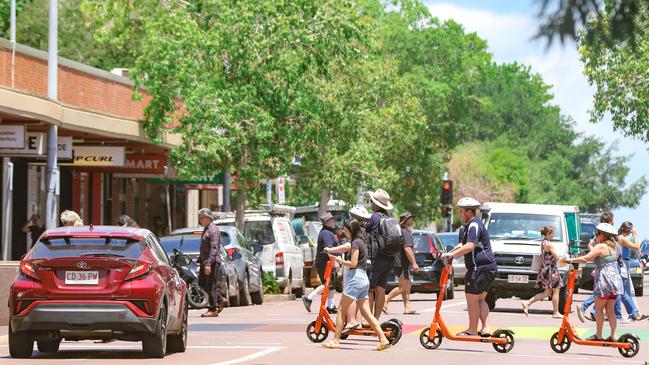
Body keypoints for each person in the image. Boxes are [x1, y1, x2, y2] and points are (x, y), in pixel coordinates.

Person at [322, 219, 392, 351]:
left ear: (350, 231)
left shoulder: (355, 243)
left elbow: (353, 263)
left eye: (345, 230)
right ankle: (383, 339)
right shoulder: (361, 242)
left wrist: (340, 261)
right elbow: (347, 249)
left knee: (341, 310)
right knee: (367, 313)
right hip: (364, 279)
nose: (344, 232)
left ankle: (335, 341)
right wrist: (332, 251)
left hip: (356, 278)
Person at [442, 197, 497, 337]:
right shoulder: (474, 225)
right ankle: (485, 328)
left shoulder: (473, 225)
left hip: (479, 268)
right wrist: (451, 253)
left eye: (461, 211)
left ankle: (472, 329)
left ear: (469, 212)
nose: (460, 214)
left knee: (471, 298)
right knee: (480, 299)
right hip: (488, 267)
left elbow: (470, 246)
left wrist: (451, 256)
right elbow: (464, 244)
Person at [564, 223, 624, 341]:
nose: (596, 235)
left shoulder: (601, 246)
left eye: (597, 233)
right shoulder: (614, 246)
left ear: (603, 235)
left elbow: (586, 258)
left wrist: (569, 260)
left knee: (598, 308)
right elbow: (602, 258)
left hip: (604, 281)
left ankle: (598, 335)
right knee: (610, 310)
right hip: (615, 282)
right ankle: (613, 335)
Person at [521, 226, 564, 318]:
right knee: (556, 290)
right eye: (552, 233)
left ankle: (527, 303)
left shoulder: (543, 242)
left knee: (547, 293)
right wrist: (565, 259)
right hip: (551, 270)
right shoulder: (549, 244)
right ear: (548, 233)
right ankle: (556, 312)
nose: (553, 235)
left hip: (544, 269)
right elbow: (557, 257)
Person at [366, 189, 396, 321]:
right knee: (381, 289)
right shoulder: (389, 218)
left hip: (376, 258)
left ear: (376, 203)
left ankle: (370, 321)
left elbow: (366, 231)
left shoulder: (374, 217)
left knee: (370, 289)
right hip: (389, 258)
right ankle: (376, 319)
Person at [384, 212, 420, 315]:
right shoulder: (405, 232)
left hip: (399, 263)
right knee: (403, 287)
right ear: (406, 221)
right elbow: (407, 249)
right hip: (402, 263)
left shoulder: (400, 231)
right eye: (410, 219)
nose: (412, 221)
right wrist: (414, 263)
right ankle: (386, 299)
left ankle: (407, 307)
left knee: (407, 286)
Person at [303, 213, 339, 314]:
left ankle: (330, 306)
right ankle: (309, 297)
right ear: (327, 222)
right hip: (325, 262)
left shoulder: (328, 232)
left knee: (330, 285)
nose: (334, 222)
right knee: (327, 284)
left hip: (327, 262)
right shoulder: (326, 233)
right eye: (332, 220)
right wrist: (335, 263)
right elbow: (329, 250)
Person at [197, 208, 228, 317]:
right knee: (201, 283)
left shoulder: (213, 230)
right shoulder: (207, 229)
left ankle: (213, 309)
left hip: (212, 262)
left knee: (211, 286)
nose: (200, 220)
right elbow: (205, 247)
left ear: (208, 218)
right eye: (199, 218)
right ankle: (220, 299)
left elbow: (214, 248)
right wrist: (200, 259)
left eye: (202, 218)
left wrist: (209, 264)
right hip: (205, 262)